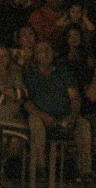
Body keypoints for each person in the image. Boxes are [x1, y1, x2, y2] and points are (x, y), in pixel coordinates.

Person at [23, 42, 93, 180]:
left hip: (65, 116)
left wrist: (72, 117)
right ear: (36, 56)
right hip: (41, 117)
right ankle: (39, 169)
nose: (46, 53)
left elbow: (74, 97)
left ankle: (85, 171)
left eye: (48, 49)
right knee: (35, 123)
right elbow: (26, 101)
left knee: (83, 124)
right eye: (41, 51)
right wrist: (44, 116)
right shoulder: (30, 74)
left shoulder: (63, 71)